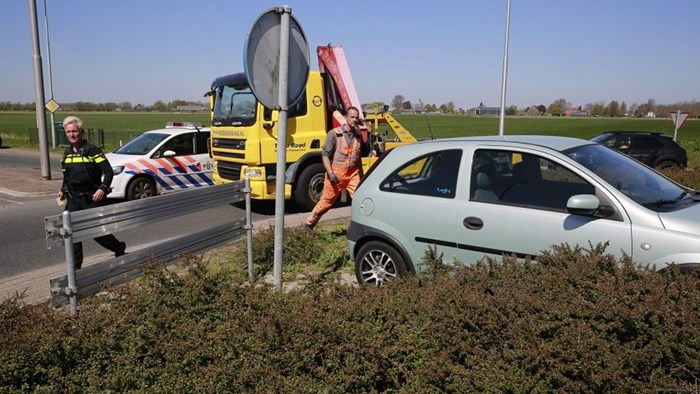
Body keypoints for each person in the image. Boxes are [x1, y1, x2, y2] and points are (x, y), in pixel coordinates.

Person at [57, 116, 126, 269]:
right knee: (71, 232)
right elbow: (66, 176)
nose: (71, 135)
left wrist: (102, 188)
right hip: (73, 199)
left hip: (91, 198)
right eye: (68, 132)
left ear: (81, 132)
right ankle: (76, 267)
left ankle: (118, 247)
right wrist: (62, 191)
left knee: (96, 232)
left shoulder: (92, 150)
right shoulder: (67, 153)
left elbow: (108, 172)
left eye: (74, 131)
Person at [303, 106, 370, 229]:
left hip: (352, 174)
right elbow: (325, 155)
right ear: (346, 117)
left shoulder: (358, 136)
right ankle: (309, 224)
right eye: (352, 117)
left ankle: (362, 226)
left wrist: (361, 174)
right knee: (326, 203)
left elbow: (358, 157)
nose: (354, 120)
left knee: (360, 200)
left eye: (356, 118)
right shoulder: (334, 134)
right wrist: (331, 173)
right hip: (336, 175)